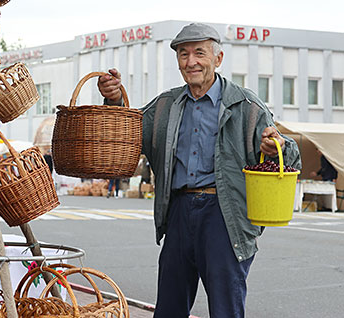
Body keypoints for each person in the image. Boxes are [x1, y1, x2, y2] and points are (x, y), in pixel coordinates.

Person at [98, 23, 301, 318]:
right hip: (178, 212)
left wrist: (278, 146)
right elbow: (127, 133)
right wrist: (114, 99)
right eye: (183, 54)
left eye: (199, 53)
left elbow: (290, 158)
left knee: (225, 309)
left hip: (224, 215)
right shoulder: (165, 105)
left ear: (218, 59)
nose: (190, 61)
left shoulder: (246, 105)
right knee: (169, 308)